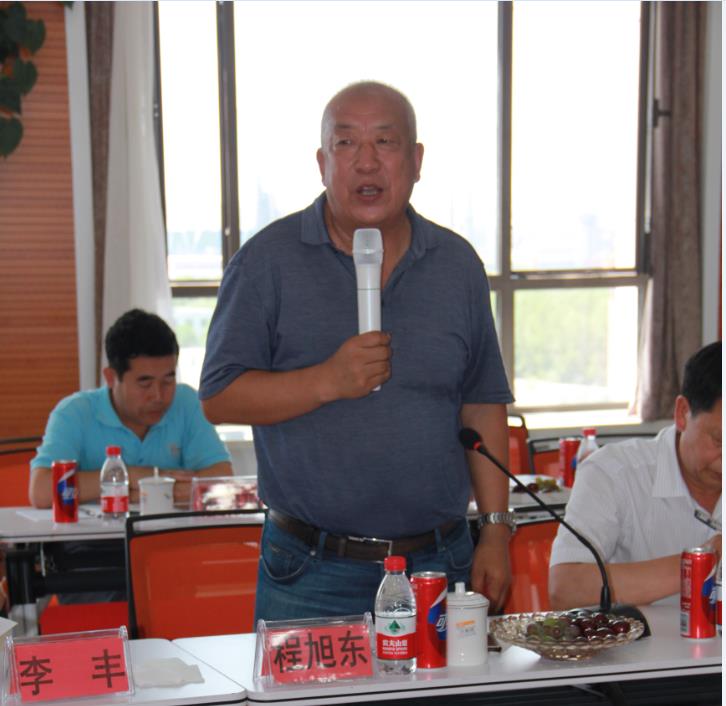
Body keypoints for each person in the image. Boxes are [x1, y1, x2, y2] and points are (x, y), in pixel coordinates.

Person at [200, 81, 514, 622]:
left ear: (416, 161)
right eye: (345, 144)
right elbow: (219, 397)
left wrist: (495, 532)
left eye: (385, 142)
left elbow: (482, 404)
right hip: (311, 570)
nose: (366, 162)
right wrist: (326, 380)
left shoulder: (456, 265)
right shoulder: (266, 261)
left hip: (439, 564)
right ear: (322, 163)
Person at [549, 341, 722, 608]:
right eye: (720, 440)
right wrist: (703, 561)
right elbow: (566, 588)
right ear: (682, 414)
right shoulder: (612, 473)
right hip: (637, 637)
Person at [30, 308, 232, 509]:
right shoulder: (74, 412)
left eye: (168, 381)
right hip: (97, 530)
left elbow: (223, 478)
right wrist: (131, 476)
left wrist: (157, 492)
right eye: (145, 383)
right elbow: (41, 491)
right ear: (111, 378)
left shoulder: (186, 402)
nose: (158, 396)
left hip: (171, 528)